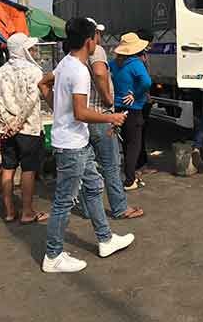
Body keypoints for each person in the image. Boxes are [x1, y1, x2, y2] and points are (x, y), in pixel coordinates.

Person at [38, 17, 133, 274]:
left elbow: (43, 84)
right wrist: (110, 116)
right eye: (96, 38)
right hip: (72, 146)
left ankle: (105, 239)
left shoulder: (64, 64)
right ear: (90, 40)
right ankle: (53, 255)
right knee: (63, 202)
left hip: (76, 141)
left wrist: (58, 109)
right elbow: (81, 112)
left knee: (93, 188)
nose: (97, 42)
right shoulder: (79, 71)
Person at [82, 19, 143, 219]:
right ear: (93, 35)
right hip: (101, 116)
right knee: (111, 164)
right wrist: (108, 99)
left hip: (83, 116)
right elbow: (100, 73)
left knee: (88, 167)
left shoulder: (74, 56)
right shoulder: (96, 50)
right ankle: (119, 207)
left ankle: (88, 208)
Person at [0, 33, 49, 224]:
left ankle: (9, 211)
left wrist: (8, 122)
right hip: (29, 129)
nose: (33, 51)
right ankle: (27, 211)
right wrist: (18, 123)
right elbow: (32, 100)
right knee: (28, 170)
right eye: (30, 48)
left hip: (7, 130)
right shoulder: (34, 71)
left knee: (8, 168)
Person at [109, 33, 152, 191]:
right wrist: (135, 94)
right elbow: (147, 82)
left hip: (118, 108)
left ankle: (130, 176)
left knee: (126, 144)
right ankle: (129, 180)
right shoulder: (135, 63)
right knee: (135, 145)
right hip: (134, 109)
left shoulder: (114, 64)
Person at [134, 29, 156, 178]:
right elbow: (145, 81)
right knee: (138, 136)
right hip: (139, 102)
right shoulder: (138, 58)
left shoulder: (140, 55)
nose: (152, 44)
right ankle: (138, 167)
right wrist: (145, 96)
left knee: (140, 135)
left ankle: (141, 165)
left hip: (141, 100)